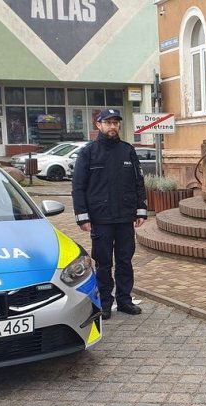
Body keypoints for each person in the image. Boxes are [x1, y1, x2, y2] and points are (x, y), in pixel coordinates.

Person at [72, 109, 148, 320]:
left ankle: (124, 301)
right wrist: (82, 216)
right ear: (99, 125)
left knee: (125, 261)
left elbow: (138, 182)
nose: (113, 126)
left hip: (125, 218)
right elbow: (78, 187)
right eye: (108, 123)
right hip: (101, 219)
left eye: (115, 123)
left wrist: (141, 210)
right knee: (104, 264)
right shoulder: (88, 152)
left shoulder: (127, 151)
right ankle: (105, 303)